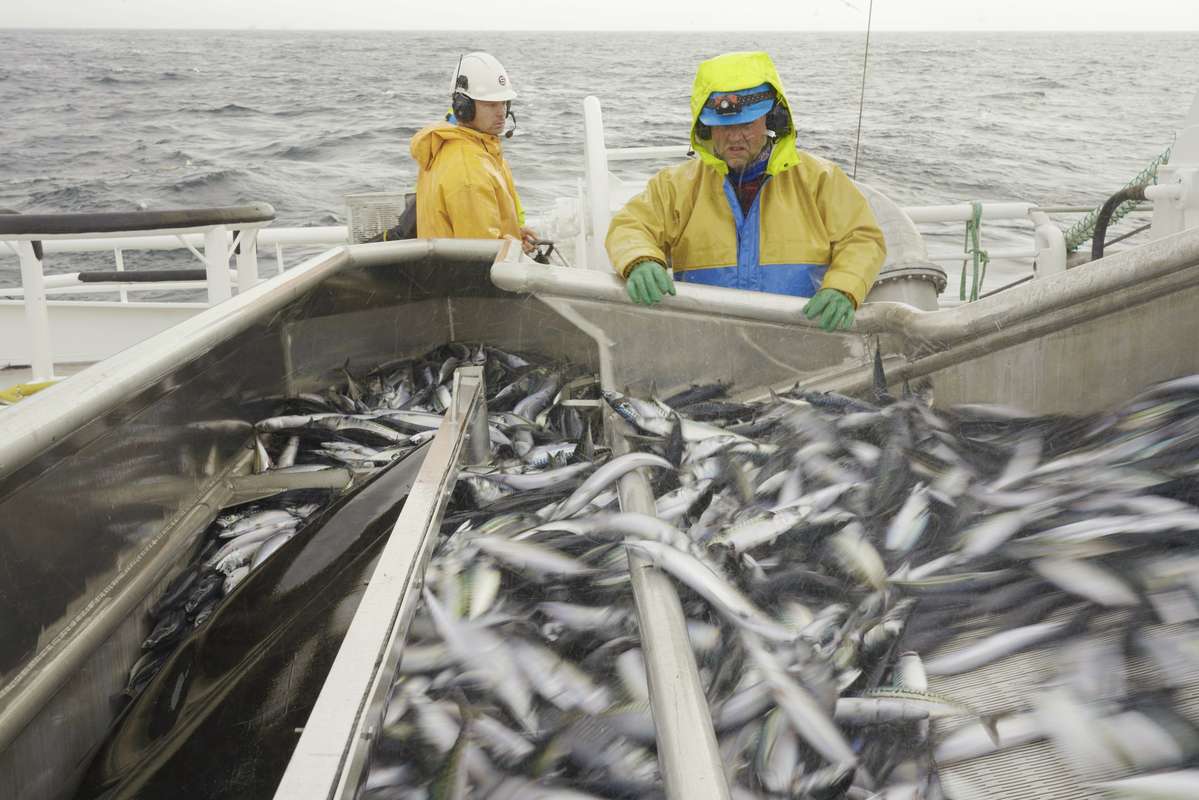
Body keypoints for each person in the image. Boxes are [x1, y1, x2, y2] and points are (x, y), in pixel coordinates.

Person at [605, 51, 886, 331]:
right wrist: (640, 260)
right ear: (705, 129)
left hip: (805, 338)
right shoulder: (675, 186)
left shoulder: (820, 179)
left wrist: (843, 288)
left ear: (772, 120)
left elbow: (861, 239)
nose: (735, 136)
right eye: (723, 126)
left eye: (747, 124)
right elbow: (630, 226)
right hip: (705, 339)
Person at [409, 52, 537, 251]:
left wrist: (513, 235)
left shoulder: (472, 148)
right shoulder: (468, 168)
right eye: (491, 104)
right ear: (464, 108)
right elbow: (480, 254)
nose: (501, 112)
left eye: (504, 103)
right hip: (466, 279)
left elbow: (480, 231)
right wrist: (516, 248)